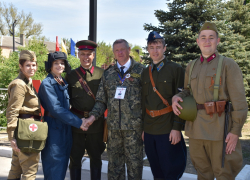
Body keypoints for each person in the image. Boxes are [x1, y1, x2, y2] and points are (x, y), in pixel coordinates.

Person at [172, 22, 248, 180]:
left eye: (211, 37)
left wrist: (235, 132)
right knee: (202, 173)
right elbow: (187, 90)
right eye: (203, 37)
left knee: (223, 174)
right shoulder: (191, 66)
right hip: (196, 129)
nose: (207, 41)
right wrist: (177, 97)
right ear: (197, 41)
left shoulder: (228, 65)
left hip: (219, 130)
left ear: (218, 40)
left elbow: (240, 102)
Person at [83, 39, 145, 180]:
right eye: (117, 50)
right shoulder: (108, 74)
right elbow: (101, 100)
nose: (120, 52)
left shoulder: (141, 71)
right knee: (114, 169)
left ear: (129, 50)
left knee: (135, 167)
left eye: (123, 49)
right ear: (114, 53)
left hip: (134, 130)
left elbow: (147, 101)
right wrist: (92, 117)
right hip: (114, 131)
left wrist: (145, 127)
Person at [141, 31, 187, 180]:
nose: (155, 50)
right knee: (156, 171)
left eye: (158, 47)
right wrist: (143, 128)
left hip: (167, 129)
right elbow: (143, 102)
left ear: (164, 48)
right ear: (148, 49)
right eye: (152, 47)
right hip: (149, 129)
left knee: (170, 171)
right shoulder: (145, 72)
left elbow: (181, 100)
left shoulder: (176, 69)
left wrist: (177, 128)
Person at [38, 51, 85, 180]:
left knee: (63, 164)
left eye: (62, 63)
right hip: (54, 128)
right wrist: (80, 122)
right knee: (54, 164)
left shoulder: (61, 81)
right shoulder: (47, 83)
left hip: (65, 127)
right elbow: (56, 109)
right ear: (50, 66)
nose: (60, 66)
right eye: (56, 63)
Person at [65, 40, 106, 180]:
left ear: (93, 56)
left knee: (96, 159)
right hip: (76, 124)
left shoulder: (102, 74)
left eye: (89, 54)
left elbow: (105, 99)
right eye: (83, 54)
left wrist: (92, 118)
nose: (86, 57)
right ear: (78, 55)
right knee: (75, 160)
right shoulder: (71, 76)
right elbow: (66, 100)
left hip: (96, 124)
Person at [6, 50, 41, 180]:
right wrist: (11, 136)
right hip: (25, 133)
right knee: (30, 171)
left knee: (16, 170)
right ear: (20, 66)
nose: (32, 68)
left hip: (24, 132)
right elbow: (12, 111)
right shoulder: (19, 84)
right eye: (28, 65)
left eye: (34, 64)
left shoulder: (27, 82)